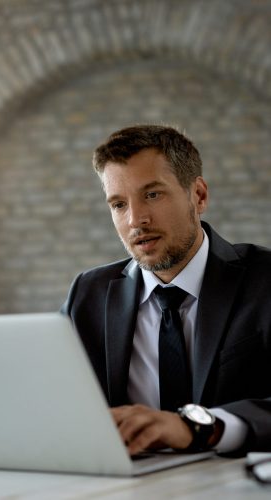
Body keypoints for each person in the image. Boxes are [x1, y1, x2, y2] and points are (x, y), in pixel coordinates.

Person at [61, 124, 271, 457]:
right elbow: (54, 404)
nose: (135, 220)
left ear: (198, 196)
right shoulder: (87, 295)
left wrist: (198, 427)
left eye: (152, 194)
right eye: (118, 204)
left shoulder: (264, 280)